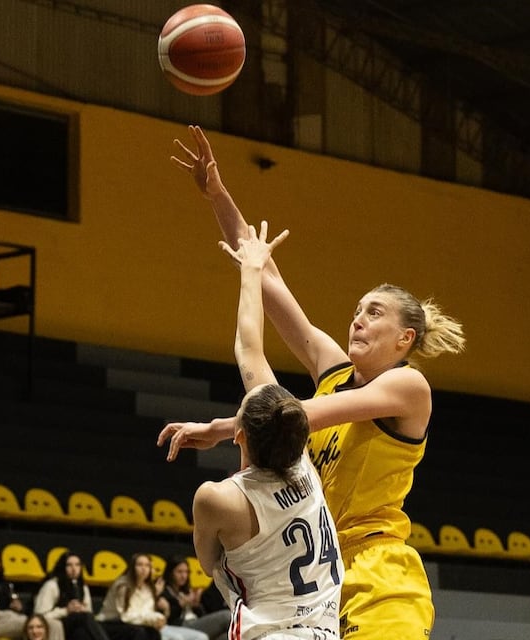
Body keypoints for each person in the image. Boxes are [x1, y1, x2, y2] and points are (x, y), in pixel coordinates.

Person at [159, 125, 467, 639]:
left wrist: (219, 427)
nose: (357, 320)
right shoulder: (334, 369)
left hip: (379, 570)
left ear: (405, 338)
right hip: (317, 573)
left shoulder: (409, 388)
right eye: (356, 311)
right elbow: (266, 273)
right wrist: (216, 193)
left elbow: (292, 415)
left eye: (374, 313)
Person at [186, 222, 342, 639]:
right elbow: (251, 348)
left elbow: (208, 562)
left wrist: (250, 270)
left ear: (240, 435)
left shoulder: (216, 499)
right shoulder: (306, 469)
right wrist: (253, 267)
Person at [96, 553, 205, 640]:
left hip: (135, 624)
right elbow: (126, 615)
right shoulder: (123, 586)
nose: (144, 568)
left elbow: (147, 611)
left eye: (147, 565)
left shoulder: (148, 587)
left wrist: (160, 617)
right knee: (142, 633)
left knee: (153, 633)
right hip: (112, 623)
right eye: (140, 565)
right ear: (132, 567)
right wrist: (154, 618)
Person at [33, 551, 108, 640]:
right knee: (85, 617)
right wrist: (66, 611)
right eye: (69, 565)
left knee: (82, 634)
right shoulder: (52, 585)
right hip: (57, 625)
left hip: (76, 626)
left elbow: (89, 614)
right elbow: (40, 617)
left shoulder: (83, 587)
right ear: (63, 567)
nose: (74, 569)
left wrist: (83, 609)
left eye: (77, 565)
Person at [158, 557, 228, 640]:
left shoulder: (186, 591)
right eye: (179, 572)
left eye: (186, 572)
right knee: (227, 616)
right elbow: (168, 619)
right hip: (180, 626)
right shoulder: (164, 591)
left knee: (227, 636)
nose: (184, 576)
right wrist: (181, 605)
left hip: (195, 621)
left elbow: (201, 614)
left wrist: (196, 605)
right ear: (170, 573)